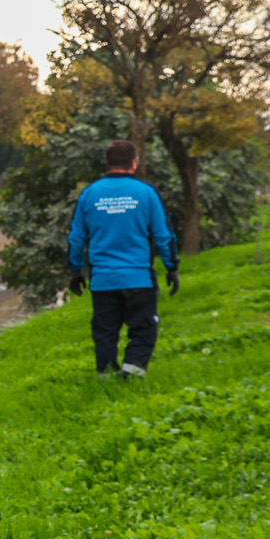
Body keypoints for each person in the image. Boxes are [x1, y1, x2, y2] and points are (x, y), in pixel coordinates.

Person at [67, 139, 179, 377]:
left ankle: (106, 377)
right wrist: (171, 267)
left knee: (105, 332)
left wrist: (75, 271)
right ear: (134, 163)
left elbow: (76, 237)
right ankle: (132, 373)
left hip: (103, 280)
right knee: (143, 329)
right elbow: (163, 235)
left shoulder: (89, 194)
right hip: (139, 279)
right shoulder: (147, 193)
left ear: (107, 163)